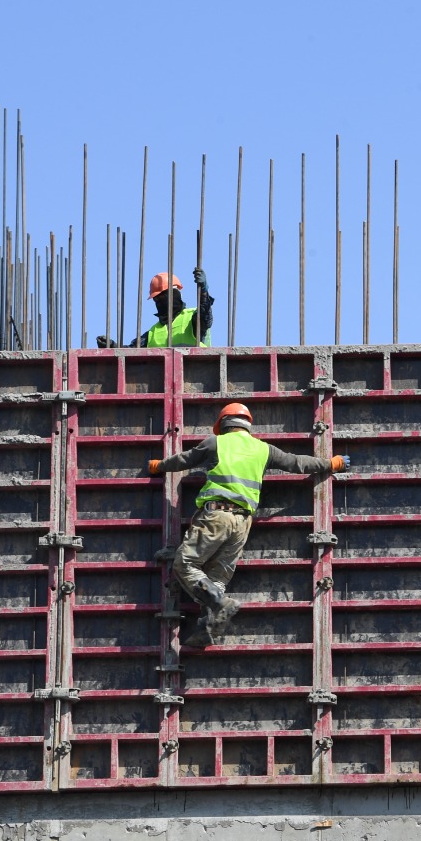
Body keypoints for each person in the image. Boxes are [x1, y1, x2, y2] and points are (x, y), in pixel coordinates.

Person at [148, 402, 349, 647]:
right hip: (243, 524)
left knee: (184, 564)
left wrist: (159, 466)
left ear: (223, 424)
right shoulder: (263, 449)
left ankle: (220, 605)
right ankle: (209, 628)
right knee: (217, 579)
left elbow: (184, 460)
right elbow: (297, 463)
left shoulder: (215, 443)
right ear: (247, 425)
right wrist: (331, 463)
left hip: (216, 516)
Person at [96, 267, 215, 348]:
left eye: (163, 296)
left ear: (175, 294)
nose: (159, 301)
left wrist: (204, 291)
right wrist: (112, 346)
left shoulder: (191, 318)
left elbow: (205, 318)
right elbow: (131, 351)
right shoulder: (154, 332)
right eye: (156, 299)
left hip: (193, 381)